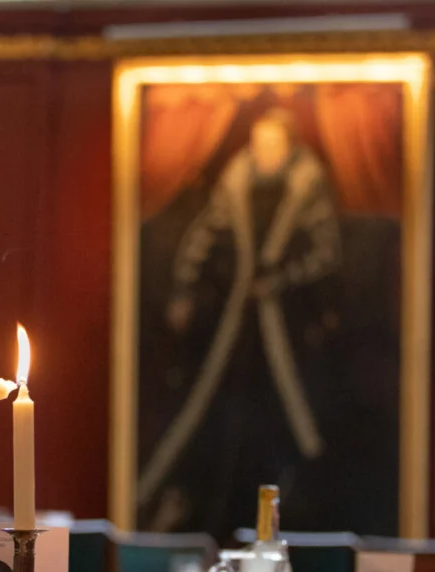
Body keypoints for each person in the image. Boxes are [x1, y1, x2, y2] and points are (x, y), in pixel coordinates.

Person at [140, 106, 342, 540]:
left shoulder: (307, 189)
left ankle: (288, 522)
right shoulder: (235, 186)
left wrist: (279, 280)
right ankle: (215, 519)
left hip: (291, 334)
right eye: (259, 143)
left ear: (289, 149)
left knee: (285, 431)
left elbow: (325, 255)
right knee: (223, 425)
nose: (265, 151)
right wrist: (185, 291)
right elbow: (204, 237)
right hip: (233, 330)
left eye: (273, 143)